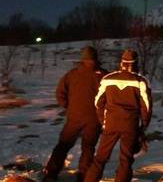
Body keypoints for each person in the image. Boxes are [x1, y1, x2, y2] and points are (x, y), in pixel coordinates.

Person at [84, 49, 152, 182]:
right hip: (130, 125)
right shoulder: (141, 81)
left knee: (100, 158)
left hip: (110, 123)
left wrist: (103, 121)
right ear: (136, 63)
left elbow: (98, 102)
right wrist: (142, 127)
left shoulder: (107, 79)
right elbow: (147, 108)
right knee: (126, 159)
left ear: (121, 62)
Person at [43, 46, 107, 182]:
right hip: (94, 119)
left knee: (63, 144)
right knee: (88, 148)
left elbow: (60, 93)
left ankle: (51, 174)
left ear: (82, 59)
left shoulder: (72, 74)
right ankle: (83, 176)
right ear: (96, 58)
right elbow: (110, 98)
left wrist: (69, 107)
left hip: (74, 117)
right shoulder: (105, 76)